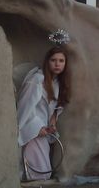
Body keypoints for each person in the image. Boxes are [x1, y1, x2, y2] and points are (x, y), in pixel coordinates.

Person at [16, 46, 69, 180]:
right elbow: (24, 107)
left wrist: (52, 123)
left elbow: (53, 109)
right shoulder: (37, 80)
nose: (57, 64)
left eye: (61, 61)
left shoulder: (57, 82)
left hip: (44, 130)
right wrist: (36, 127)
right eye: (53, 60)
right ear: (47, 61)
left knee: (44, 172)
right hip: (32, 129)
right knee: (40, 172)